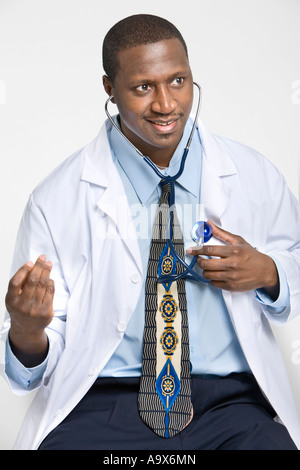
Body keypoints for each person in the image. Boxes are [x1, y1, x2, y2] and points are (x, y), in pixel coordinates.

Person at [1, 14, 300, 450]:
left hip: (229, 408)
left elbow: (294, 258)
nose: (166, 104)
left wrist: (270, 272)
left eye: (178, 81)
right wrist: (27, 331)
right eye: (144, 87)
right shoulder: (57, 197)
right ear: (109, 88)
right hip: (99, 409)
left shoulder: (252, 175)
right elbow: (33, 362)